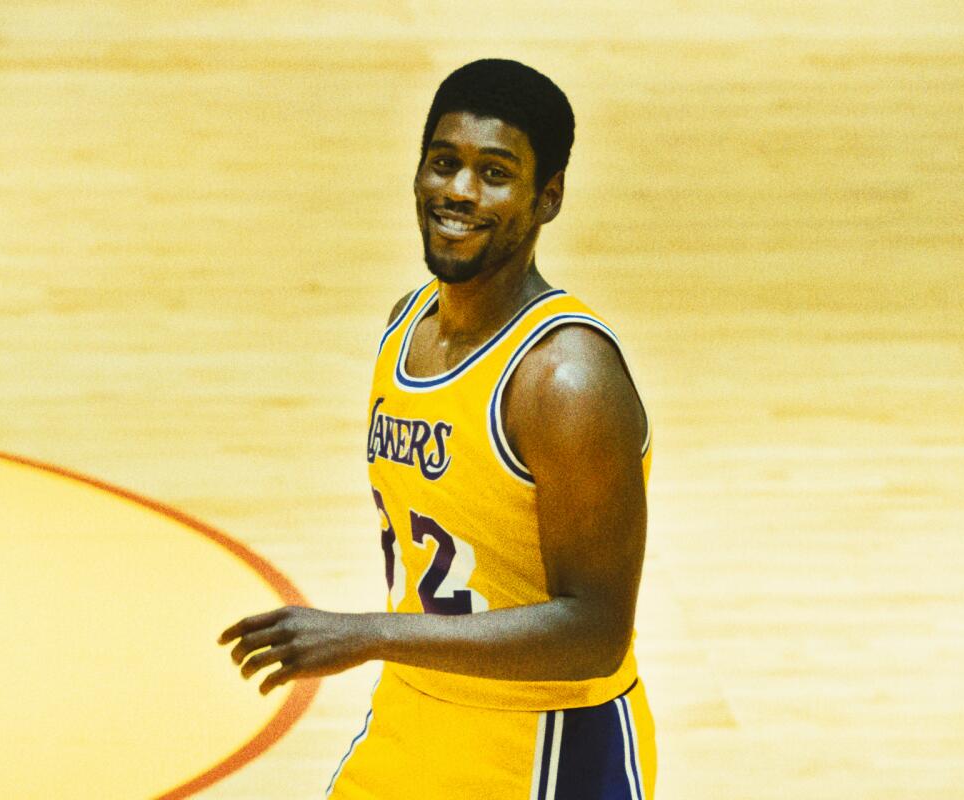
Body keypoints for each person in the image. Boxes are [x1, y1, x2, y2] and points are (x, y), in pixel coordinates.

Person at [220, 58, 656, 799]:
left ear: (546, 198)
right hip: (412, 721)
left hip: (545, 750)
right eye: (444, 162)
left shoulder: (567, 381)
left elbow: (595, 631)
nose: (459, 191)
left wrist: (367, 633)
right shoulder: (404, 327)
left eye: (495, 172)